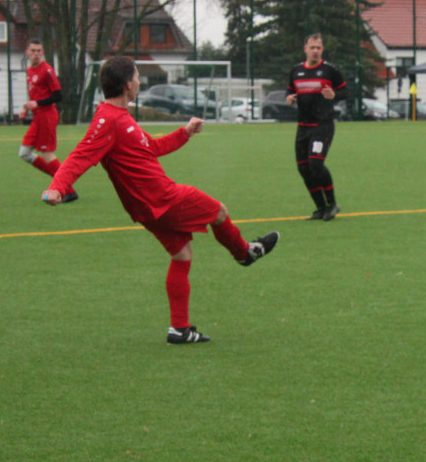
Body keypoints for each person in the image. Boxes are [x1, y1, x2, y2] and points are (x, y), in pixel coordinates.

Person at [41, 55, 280, 343]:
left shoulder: (120, 117)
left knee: (182, 255)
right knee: (219, 211)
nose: (139, 82)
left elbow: (151, 148)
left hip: (147, 208)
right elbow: (80, 156)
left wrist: (184, 133)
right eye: (137, 77)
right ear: (128, 85)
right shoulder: (108, 120)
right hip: (163, 198)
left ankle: (179, 329)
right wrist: (58, 187)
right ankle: (245, 253)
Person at [286, 33, 346, 220]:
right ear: (305, 49)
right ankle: (320, 208)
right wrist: (289, 97)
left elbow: (345, 91)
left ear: (322, 50)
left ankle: (332, 204)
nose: (315, 51)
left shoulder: (330, 70)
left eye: (318, 48)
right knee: (303, 169)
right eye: (312, 47)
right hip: (303, 127)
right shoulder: (296, 70)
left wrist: (334, 94)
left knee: (315, 165)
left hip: (322, 125)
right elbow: (290, 90)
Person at [19, 39, 77, 202]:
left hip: (47, 116)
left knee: (47, 153)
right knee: (24, 153)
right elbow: (36, 95)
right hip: (37, 117)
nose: (36, 54)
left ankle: (69, 191)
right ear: (27, 52)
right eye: (33, 51)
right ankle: (62, 183)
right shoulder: (30, 70)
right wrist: (27, 108)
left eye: (39, 51)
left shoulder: (47, 70)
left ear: (43, 53)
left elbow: (58, 96)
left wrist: (37, 103)